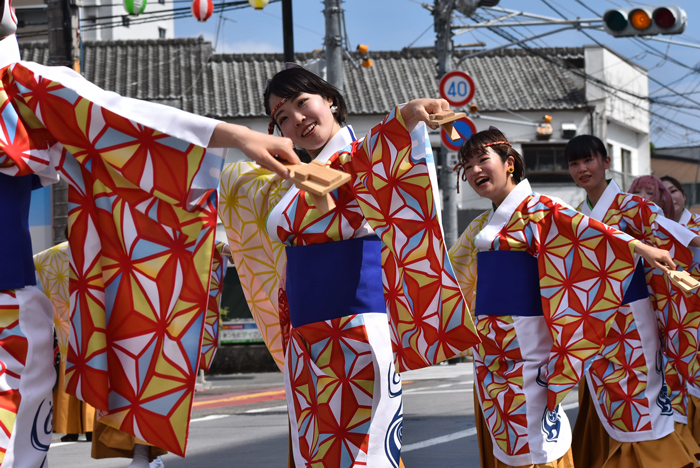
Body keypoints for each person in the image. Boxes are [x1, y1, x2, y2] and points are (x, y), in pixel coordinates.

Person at [0, 1, 300, 464]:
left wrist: (234, 136)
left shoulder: (15, 88)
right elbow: (115, 120)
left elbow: (118, 118)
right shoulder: (17, 88)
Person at [219, 66, 480, 468]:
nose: (296, 120)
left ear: (331, 100)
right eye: (282, 118)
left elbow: (381, 144)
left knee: (364, 454)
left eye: (302, 103)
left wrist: (408, 113)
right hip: (303, 336)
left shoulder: (355, 159)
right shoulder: (291, 180)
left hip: (355, 329)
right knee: (315, 455)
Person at [448, 127, 676, 468]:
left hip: (532, 345)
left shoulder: (541, 209)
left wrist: (640, 247)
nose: (475, 171)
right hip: (490, 350)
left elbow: (593, 233)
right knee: (507, 433)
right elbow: (448, 274)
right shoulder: (480, 227)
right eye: (467, 167)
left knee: (536, 436)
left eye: (483, 160)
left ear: (509, 164)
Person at [565, 135, 700, 468]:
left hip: (631, 323)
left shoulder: (632, 206)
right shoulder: (576, 215)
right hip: (594, 323)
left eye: (589, 160)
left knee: (638, 401)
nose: (583, 169)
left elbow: (672, 235)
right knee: (601, 400)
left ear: (606, 162)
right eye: (574, 163)